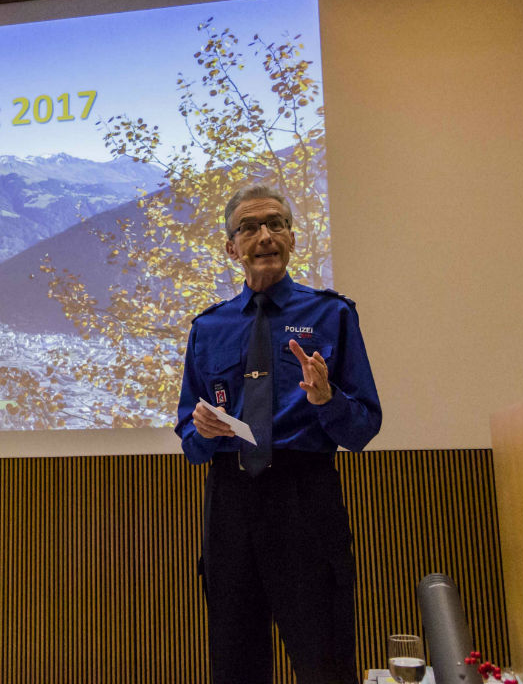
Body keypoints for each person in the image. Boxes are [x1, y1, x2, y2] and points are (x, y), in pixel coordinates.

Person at [176, 182, 382, 684]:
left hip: (303, 495)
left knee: (324, 660)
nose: (264, 236)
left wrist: (327, 400)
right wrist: (203, 430)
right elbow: (191, 441)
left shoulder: (332, 314)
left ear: (292, 238)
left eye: (276, 224)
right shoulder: (208, 328)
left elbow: (363, 427)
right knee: (235, 662)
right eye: (248, 228)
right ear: (232, 248)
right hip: (230, 499)